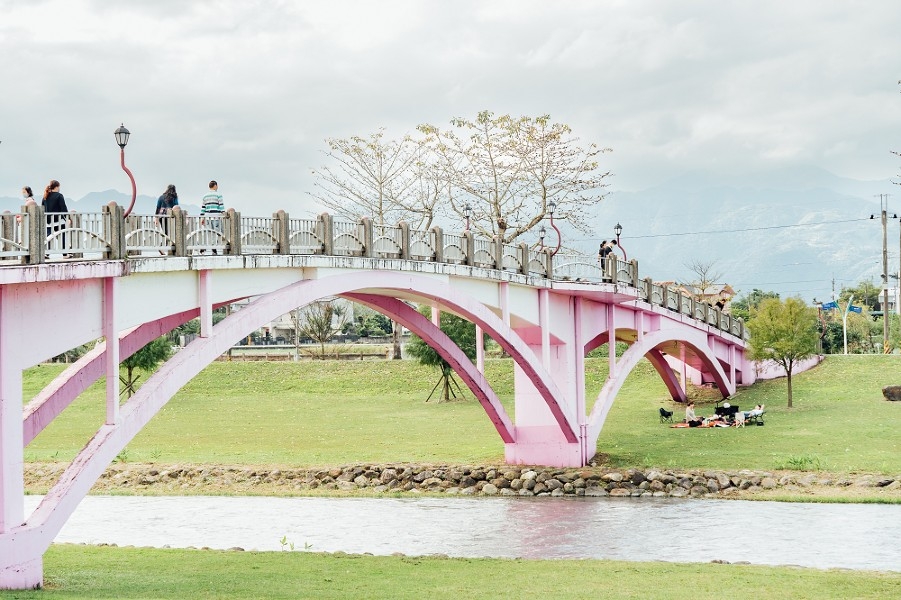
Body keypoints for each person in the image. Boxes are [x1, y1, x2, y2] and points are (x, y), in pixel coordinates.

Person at [42, 180, 69, 257]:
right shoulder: (59, 195)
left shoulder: (45, 196)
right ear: (57, 187)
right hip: (58, 220)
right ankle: (64, 254)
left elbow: (42, 207)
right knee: (62, 236)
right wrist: (67, 218)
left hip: (48, 221)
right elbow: (63, 208)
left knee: (48, 237)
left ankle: (47, 253)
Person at [200, 180, 224, 254]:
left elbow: (203, 208)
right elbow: (221, 206)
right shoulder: (218, 195)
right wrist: (223, 214)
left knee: (209, 232)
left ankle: (207, 247)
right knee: (217, 232)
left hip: (207, 217)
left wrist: (202, 217)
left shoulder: (205, 196)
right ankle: (214, 247)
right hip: (216, 216)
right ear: (215, 186)